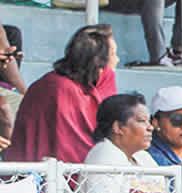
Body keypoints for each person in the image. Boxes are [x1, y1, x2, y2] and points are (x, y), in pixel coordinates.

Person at [8, 24, 117, 163]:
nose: (117, 60)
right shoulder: (60, 89)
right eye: (113, 54)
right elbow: (71, 151)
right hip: (42, 178)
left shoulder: (89, 85)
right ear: (97, 62)